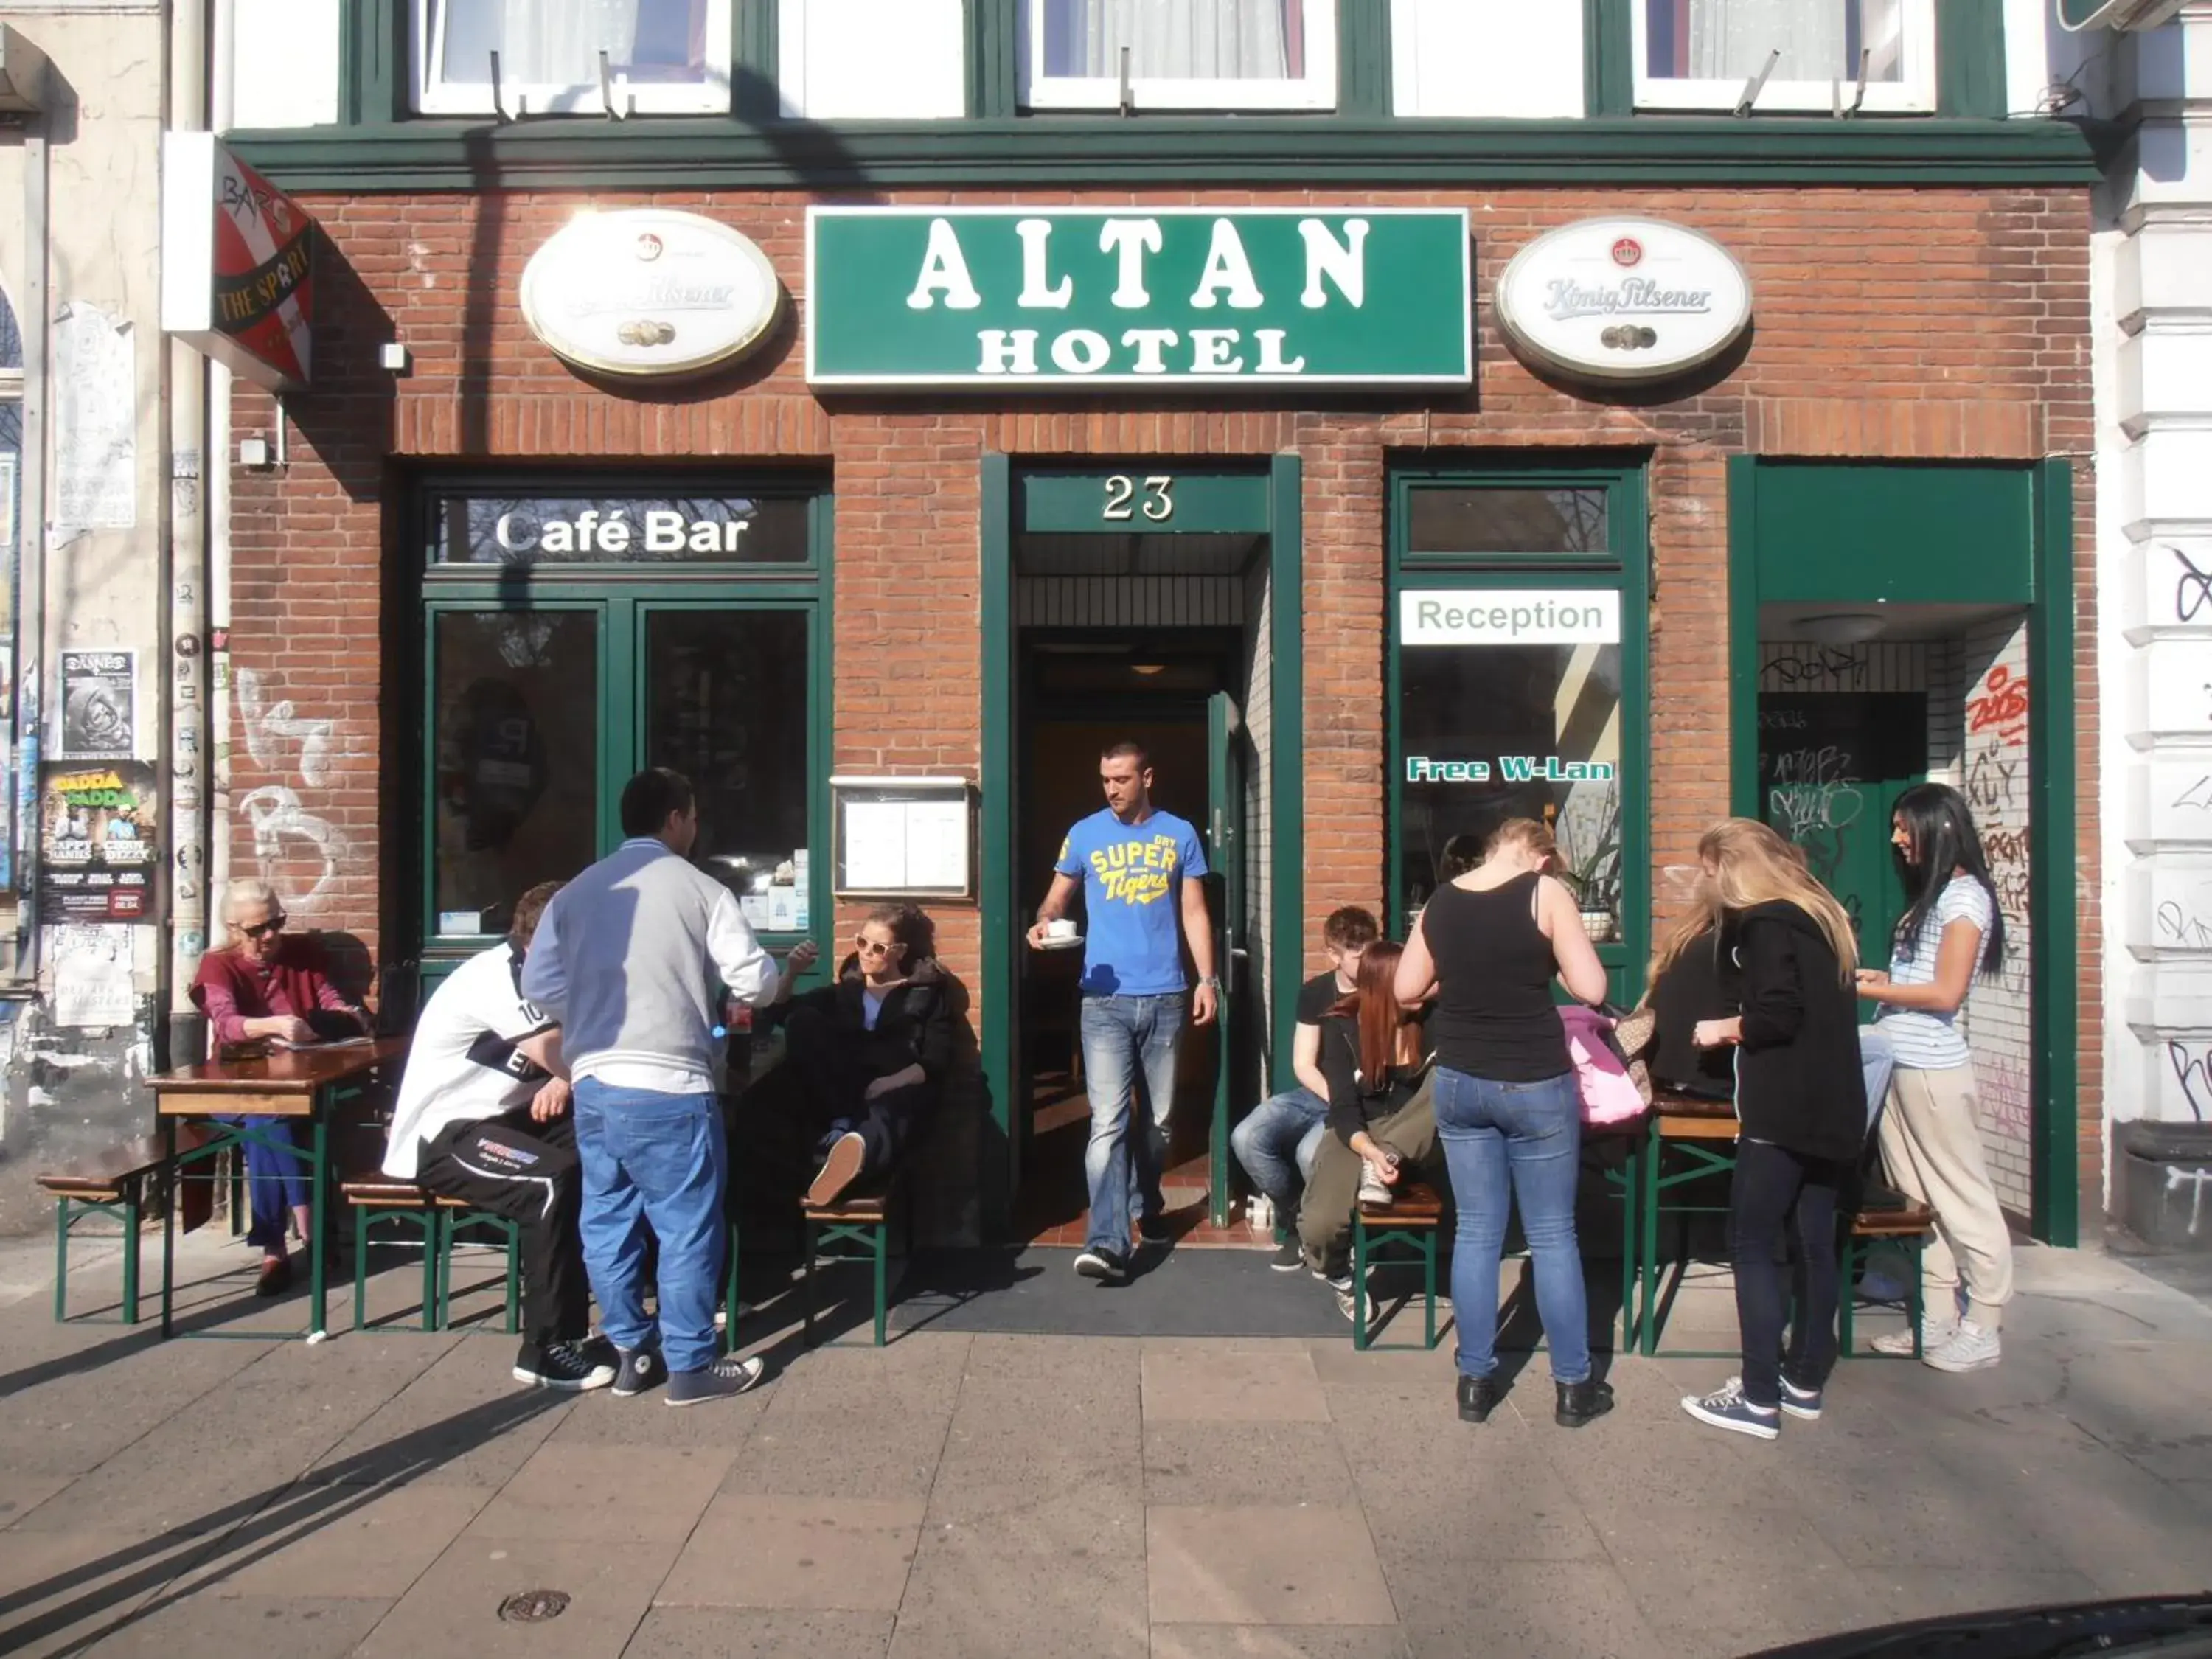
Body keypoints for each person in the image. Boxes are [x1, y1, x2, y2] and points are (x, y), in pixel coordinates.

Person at [522, 768, 818, 1405]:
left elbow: (539, 988)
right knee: (685, 1225)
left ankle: (631, 1351)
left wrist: (596, 1011)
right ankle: (690, 1365)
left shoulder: (572, 894)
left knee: (607, 1218)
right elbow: (757, 987)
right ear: (678, 819)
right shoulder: (702, 890)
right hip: (671, 1083)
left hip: (598, 1079)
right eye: (693, 816)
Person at [1394, 818, 1613, 1429]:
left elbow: (1409, 989)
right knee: (1551, 1235)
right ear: (1540, 859)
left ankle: (1475, 1380)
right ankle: (1574, 1387)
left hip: (1462, 1079)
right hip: (1534, 1080)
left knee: (1477, 1233)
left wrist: (1459, 975)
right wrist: (1550, 961)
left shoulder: (1441, 901)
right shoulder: (1546, 895)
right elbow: (1591, 987)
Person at [1672, 819, 1866, 1441]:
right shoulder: (1823, 915)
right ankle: (1803, 1381)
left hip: (1782, 1106)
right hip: (1836, 1103)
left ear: (1730, 868)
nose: (1708, 888)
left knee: (1751, 1242)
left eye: (1710, 874)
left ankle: (1758, 1397)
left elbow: (1776, 1014)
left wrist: (1724, 1028)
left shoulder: (1763, 924)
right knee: (1815, 1242)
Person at [383, 881, 613, 1391]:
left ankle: (639, 1305)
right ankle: (547, 1348)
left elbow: (580, 1052)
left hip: (514, 1117)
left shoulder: (562, 973)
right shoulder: (500, 977)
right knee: (552, 1183)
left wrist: (561, 1077)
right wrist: (562, 1072)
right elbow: (565, 1052)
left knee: (617, 1142)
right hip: (447, 1133)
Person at [1029, 740, 1217, 1284]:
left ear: (1147, 778)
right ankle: (1108, 1242)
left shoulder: (1178, 833)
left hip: (1165, 995)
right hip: (1103, 1000)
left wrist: (1206, 979)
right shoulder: (1085, 833)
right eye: (1105, 779)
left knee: (1157, 1124)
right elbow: (1056, 898)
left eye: (1122, 779)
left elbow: (1194, 910)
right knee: (1108, 1124)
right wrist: (1044, 921)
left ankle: (1146, 1200)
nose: (1112, 789)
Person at [1857, 782, 2014, 1372]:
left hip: (1932, 1070)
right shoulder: (1937, 896)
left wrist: (1871, 988)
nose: (1896, 839)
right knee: (1918, 1201)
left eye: (1904, 827)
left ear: (1938, 829)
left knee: (1962, 1196)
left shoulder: (1964, 899)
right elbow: (1924, 978)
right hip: (1901, 1060)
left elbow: (1947, 991)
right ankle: (1937, 1317)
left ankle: (1985, 1322)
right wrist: (1884, 979)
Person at [190, 878, 369, 1297]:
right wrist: (270, 1025)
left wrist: (348, 1016)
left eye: (276, 923)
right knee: (265, 1118)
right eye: (257, 930)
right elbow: (227, 1023)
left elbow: (330, 999)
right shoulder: (218, 965)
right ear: (234, 929)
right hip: (236, 1086)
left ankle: (275, 1249)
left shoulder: (302, 955)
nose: (270, 935)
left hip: (299, 1081)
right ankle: (309, 1232)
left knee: (269, 1122)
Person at [1229, 905, 1380, 1270]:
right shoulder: (1316, 993)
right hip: (1319, 1093)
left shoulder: (1385, 989)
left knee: (1311, 1154)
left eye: (1371, 952)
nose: (1366, 964)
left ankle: (1334, 1237)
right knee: (1247, 1136)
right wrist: (1337, 1096)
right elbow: (1303, 1064)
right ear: (1332, 954)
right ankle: (1297, 1218)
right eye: (1357, 957)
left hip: (1366, 1101)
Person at [1297, 938, 1440, 1318]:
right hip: (1358, 1130)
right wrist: (1370, 1151)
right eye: (1415, 979)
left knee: (1449, 1078)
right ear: (1385, 985)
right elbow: (1344, 1108)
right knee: (1320, 1225)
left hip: (1415, 1131)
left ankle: (1389, 1154)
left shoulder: (1434, 1020)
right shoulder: (1342, 1025)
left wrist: (1388, 1149)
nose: (1424, 988)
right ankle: (1340, 1276)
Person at [782, 904, 953, 1208]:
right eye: (861, 943)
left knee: (886, 1111)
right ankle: (841, 1144)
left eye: (878, 947)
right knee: (803, 1020)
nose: (866, 953)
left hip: (896, 1087)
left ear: (899, 951)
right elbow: (780, 1012)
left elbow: (936, 1060)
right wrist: (792, 973)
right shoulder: (844, 992)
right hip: (841, 1093)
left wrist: (889, 1082)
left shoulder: (924, 995)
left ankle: (853, 1152)